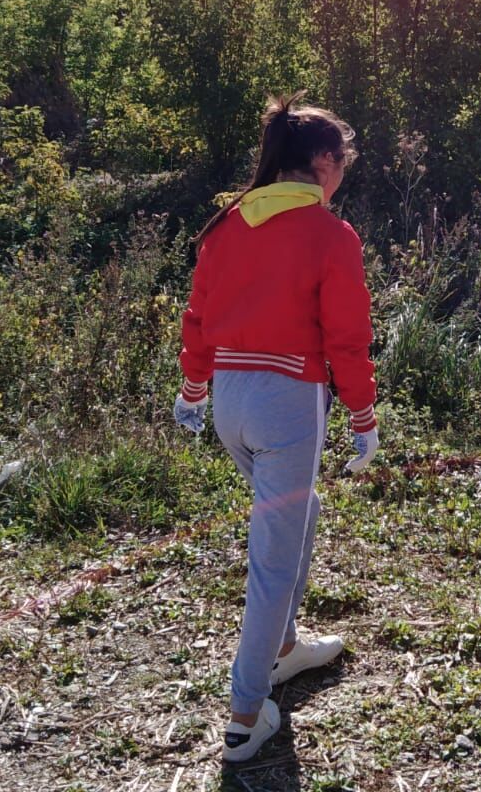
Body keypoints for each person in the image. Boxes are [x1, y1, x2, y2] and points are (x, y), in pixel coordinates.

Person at [175, 92, 381, 764]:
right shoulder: (330, 234)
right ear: (322, 160)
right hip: (289, 400)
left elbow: (199, 317)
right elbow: (347, 337)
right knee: (273, 558)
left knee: (297, 515)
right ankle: (242, 716)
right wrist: (363, 414)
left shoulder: (227, 224)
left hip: (231, 399)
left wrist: (192, 390)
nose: (343, 172)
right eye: (342, 160)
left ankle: (286, 648)